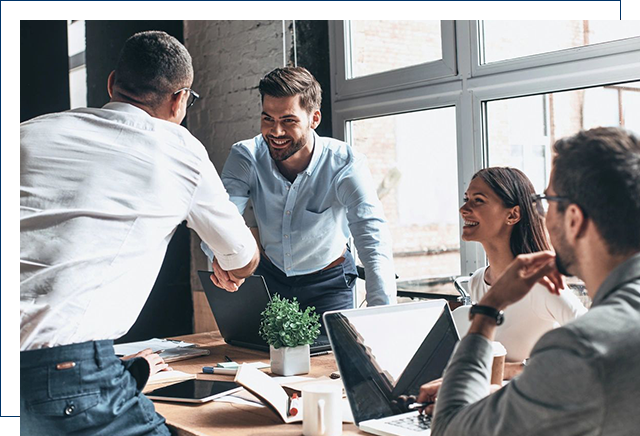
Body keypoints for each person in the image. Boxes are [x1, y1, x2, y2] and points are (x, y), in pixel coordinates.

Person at [20, 31, 259, 435]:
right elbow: (242, 258)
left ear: (112, 84)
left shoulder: (28, 133)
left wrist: (120, 367)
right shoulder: (177, 148)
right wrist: (228, 265)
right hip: (66, 377)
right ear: (180, 100)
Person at [418, 127, 640, 435]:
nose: (542, 215)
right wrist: (514, 396)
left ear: (573, 219)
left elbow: (450, 429)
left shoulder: (581, 347)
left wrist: (488, 311)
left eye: (547, 201)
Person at [203, 67, 397, 328]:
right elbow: (220, 218)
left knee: (333, 362)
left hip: (328, 284)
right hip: (269, 278)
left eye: (288, 120)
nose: (276, 131)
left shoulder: (345, 164)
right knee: (256, 361)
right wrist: (222, 261)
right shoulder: (246, 156)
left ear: (314, 118)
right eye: (268, 119)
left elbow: (373, 239)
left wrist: (383, 319)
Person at [459, 167, 586, 377]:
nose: (464, 209)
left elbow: (595, 343)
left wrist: (513, 369)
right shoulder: (478, 281)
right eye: (467, 198)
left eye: (478, 200)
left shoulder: (540, 284)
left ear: (513, 214)